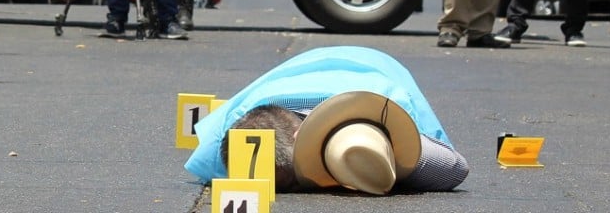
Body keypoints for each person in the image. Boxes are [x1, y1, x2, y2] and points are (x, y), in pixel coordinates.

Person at [184, 46, 469, 195]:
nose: (309, 185)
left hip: (379, 67)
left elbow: (456, 169)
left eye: (297, 181)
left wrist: (385, 157)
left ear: (300, 136)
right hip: (303, 68)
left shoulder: (388, 107)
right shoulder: (226, 140)